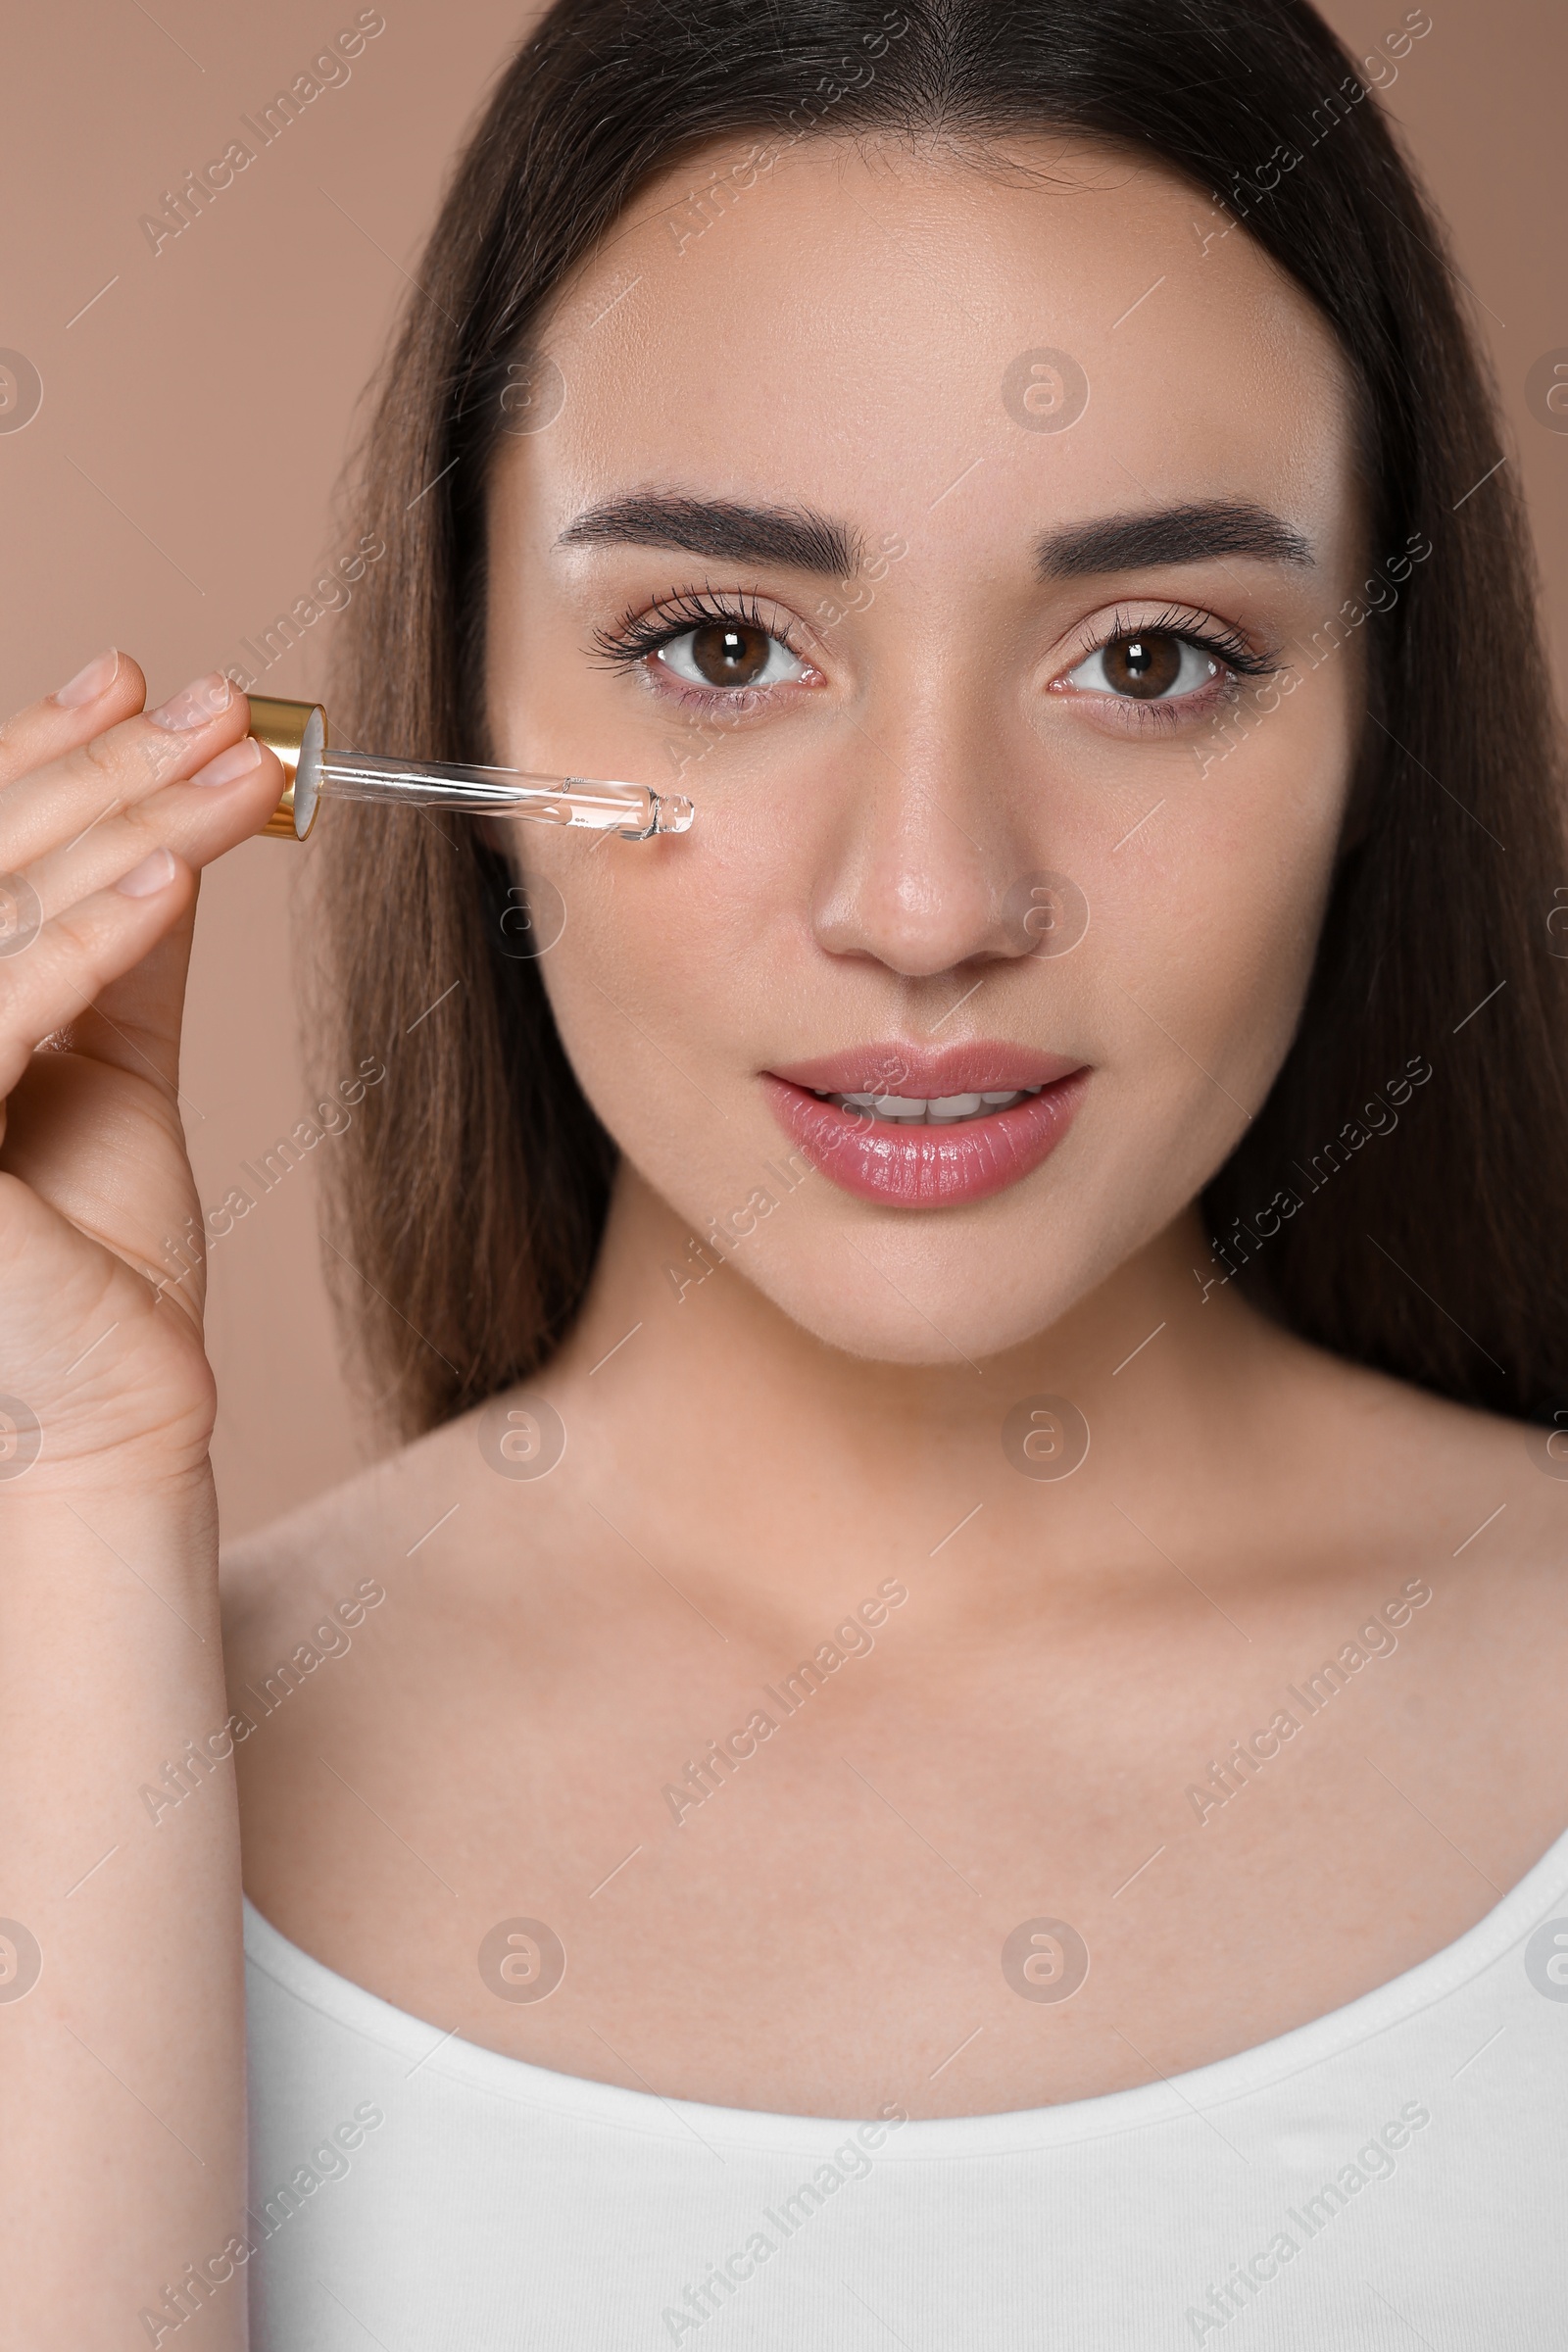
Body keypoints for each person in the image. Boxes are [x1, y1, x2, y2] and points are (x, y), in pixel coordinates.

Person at [5, 0, 1565, 2342]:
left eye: (1147, 659)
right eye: (721, 642)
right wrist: (69, 1505)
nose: (928, 904)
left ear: (1374, 720)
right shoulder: (70, 1713)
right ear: (463, 693)